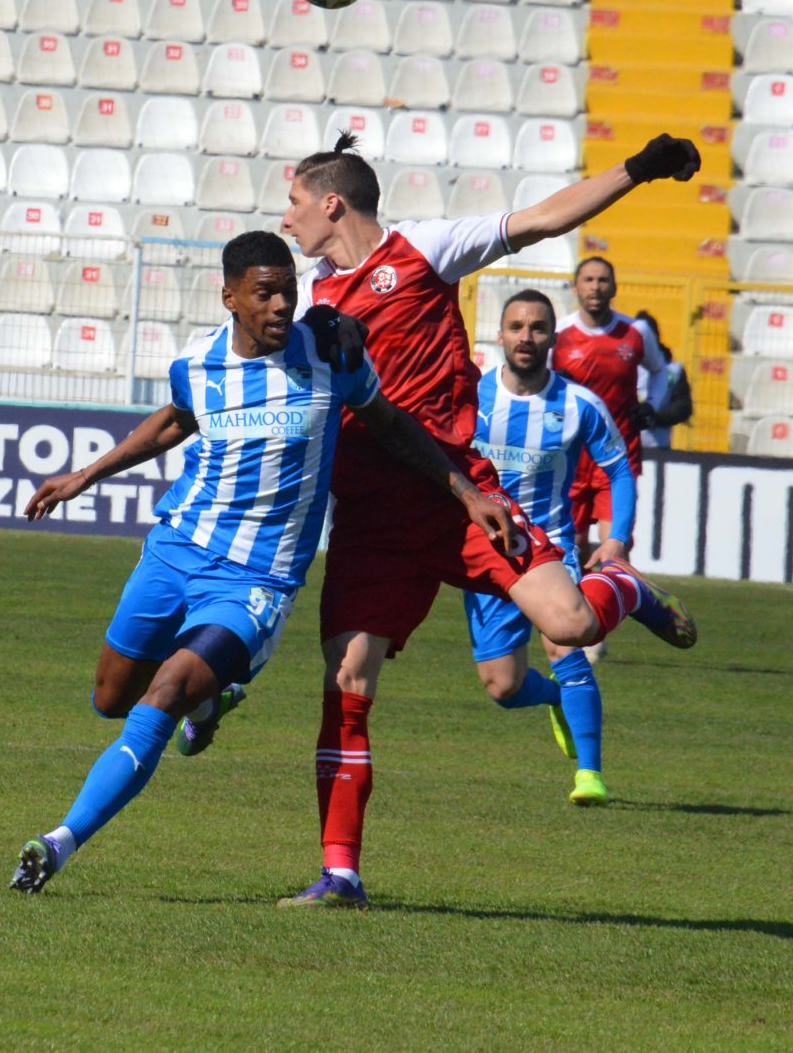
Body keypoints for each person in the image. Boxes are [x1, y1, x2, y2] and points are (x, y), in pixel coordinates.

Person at [234, 129, 701, 911]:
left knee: (574, 623)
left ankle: (623, 585)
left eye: (293, 203)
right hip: (373, 520)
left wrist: (642, 168)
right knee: (347, 679)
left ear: (332, 202)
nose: (286, 219)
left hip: (464, 497)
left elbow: (545, 219)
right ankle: (341, 873)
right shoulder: (306, 298)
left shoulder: (425, 248)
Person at [9, 231, 515, 894]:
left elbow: (390, 423)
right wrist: (87, 473)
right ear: (230, 297)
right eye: (264, 292)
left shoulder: (330, 356)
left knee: (164, 693)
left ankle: (59, 841)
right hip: (176, 548)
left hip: (256, 580)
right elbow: (173, 420)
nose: (280, 304)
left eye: (288, 290)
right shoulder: (199, 364)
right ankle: (212, 701)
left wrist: (467, 491)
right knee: (111, 698)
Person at [464, 289, 638, 808]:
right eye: (516, 326)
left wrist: (616, 537)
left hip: (552, 547)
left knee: (565, 644)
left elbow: (619, 469)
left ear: (552, 338)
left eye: (537, 327)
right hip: (487, 553)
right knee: (502, 687)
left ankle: (591, 773)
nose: (526, 336)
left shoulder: (580, 404)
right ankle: (558, 699)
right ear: (500, 334)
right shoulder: (471, 396)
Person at [553, 257, 668, 567]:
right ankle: (570, 614)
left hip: (617, 454)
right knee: (568, 550)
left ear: (614, 287)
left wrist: (651, 406)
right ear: (575, 287)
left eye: (603, 280)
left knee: (615, 550)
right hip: (571, 456)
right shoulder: (558, 333)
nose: (596, 287)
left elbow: (659, 371)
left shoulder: (636, 331)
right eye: (588, 280)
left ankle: (605, 612)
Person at [633, 309, 694, 450]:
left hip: (658, 447)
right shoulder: (621, 365)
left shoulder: (673, 370)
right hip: (623, 448)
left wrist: (655, 418)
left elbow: (683, 406)